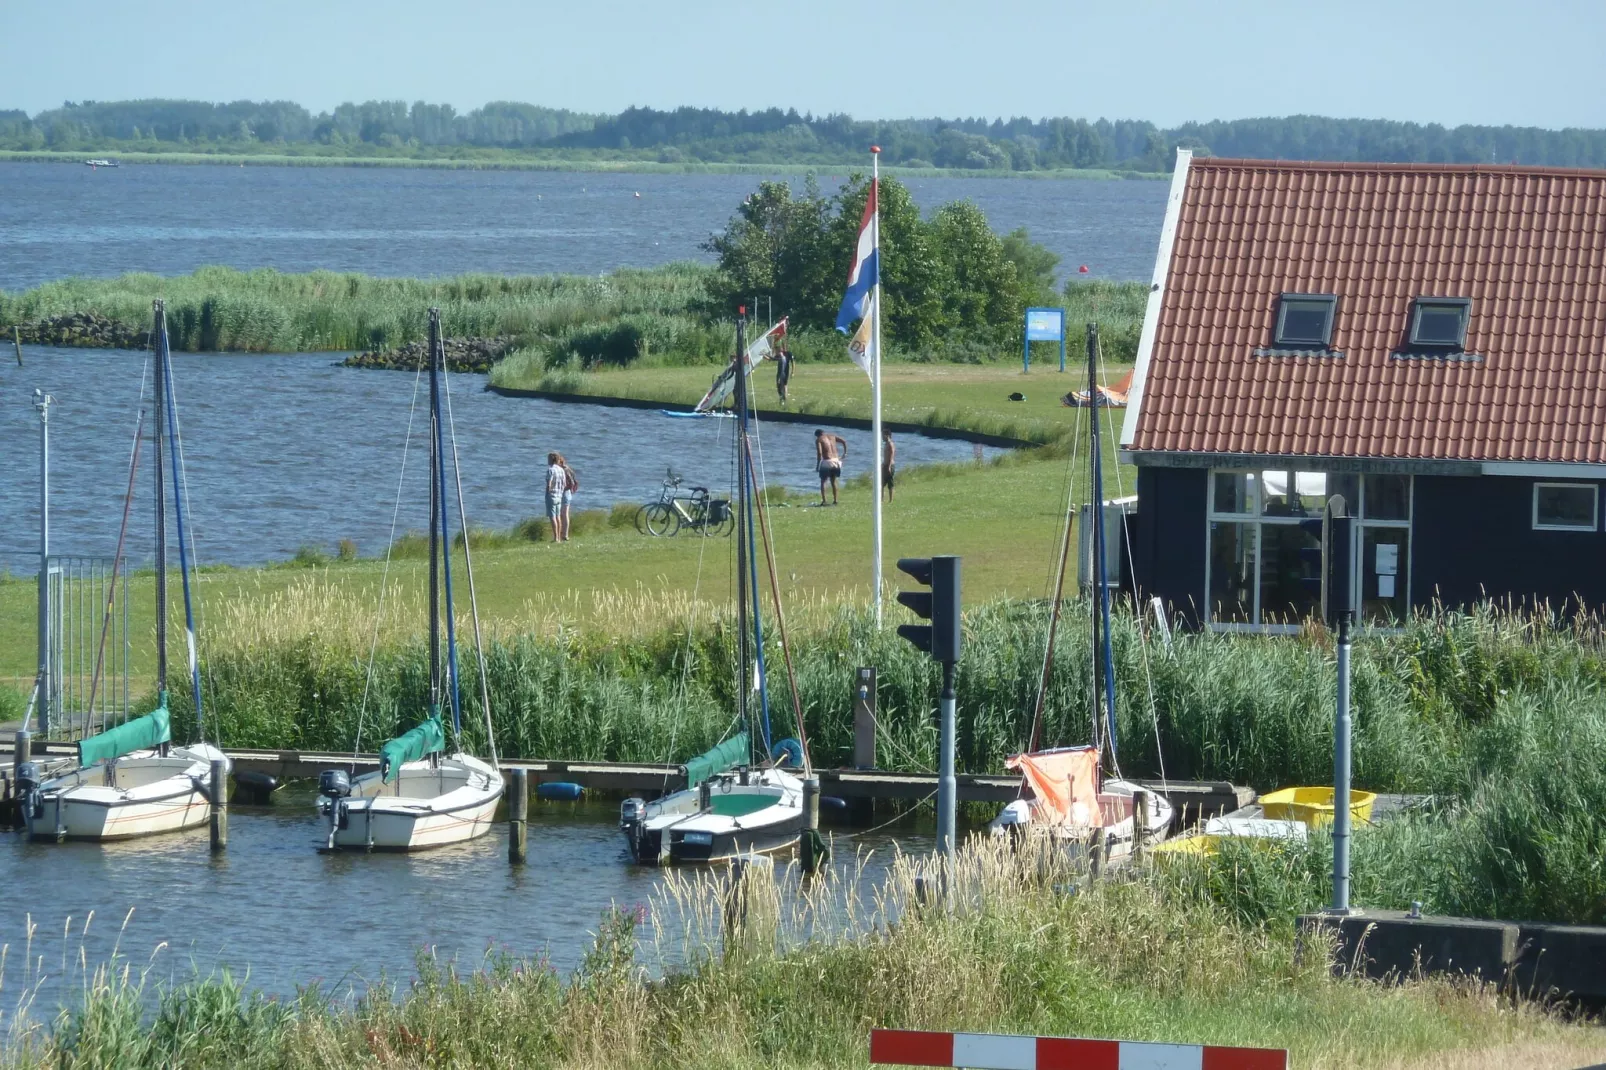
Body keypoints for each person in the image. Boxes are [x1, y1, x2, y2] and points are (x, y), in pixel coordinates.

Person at [814, 429, 847, 506]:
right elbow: (844, 441)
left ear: (817, 435)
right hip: (836, 461)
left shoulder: (819, 439)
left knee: (823, 481)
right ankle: (835, 500)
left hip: (827, 461)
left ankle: (824, 501)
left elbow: (820, 453)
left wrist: (818, 465)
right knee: (833, 481)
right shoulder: (832, 436)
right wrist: (845, 453)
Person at [545, 451, 567, 542]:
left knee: (552, 517)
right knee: (558, 517)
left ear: (551, 459)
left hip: (552, 495)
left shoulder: (550, 470)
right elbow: (564, 484)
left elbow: (549, 484)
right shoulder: (561, 470)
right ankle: (559, 536)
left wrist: (548, 492)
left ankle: (556, 537)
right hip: (559, 495)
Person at [557, 452, 578, 542]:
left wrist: (563, 489)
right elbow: (575, 482)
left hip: (565, 493)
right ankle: (562, 534)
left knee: (564, 514)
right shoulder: (566, 469)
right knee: (562, 514)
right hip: (567, 493)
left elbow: (571, 483)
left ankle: (565, 534)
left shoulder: (564, 470)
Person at [881, 430, 896, 503]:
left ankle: (891, 500)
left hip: (890, 465)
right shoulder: (886, 444)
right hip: (885, 465)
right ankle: (881, 500)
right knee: (881, 483)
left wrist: (889, 466)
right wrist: (883, 464)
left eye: (883, 435)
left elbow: (891, 455)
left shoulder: (890, 444)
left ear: (887, 435)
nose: (882, 437)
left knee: (890, 483)